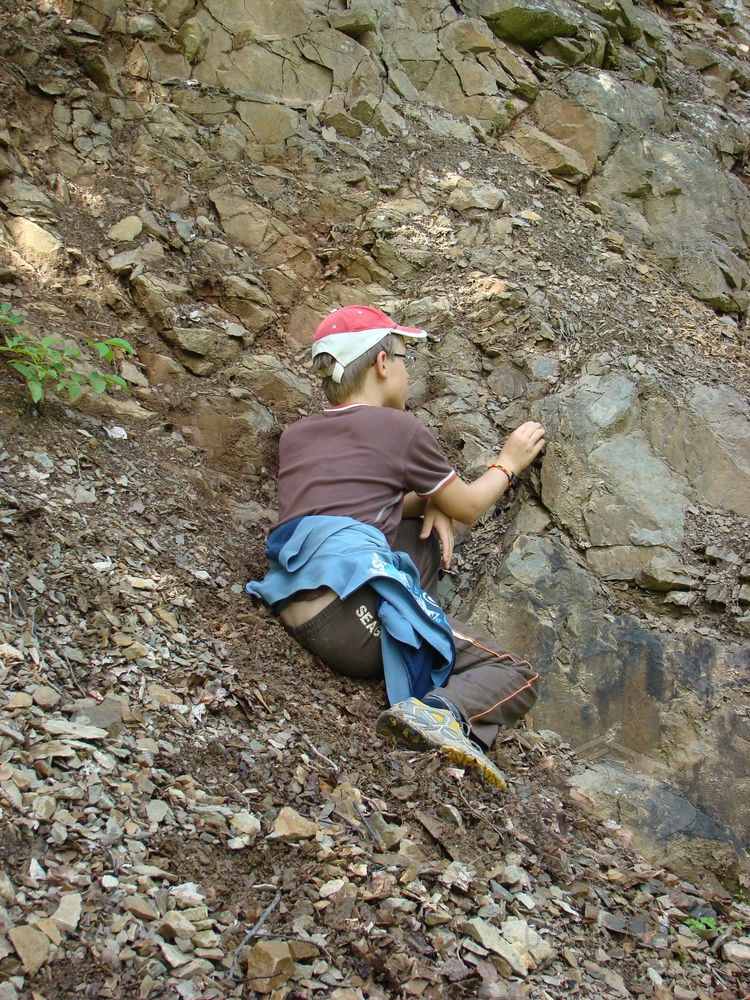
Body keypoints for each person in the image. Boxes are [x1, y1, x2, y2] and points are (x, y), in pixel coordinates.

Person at [246, 305, 546, 788]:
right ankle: (439, 713)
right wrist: (508, 464)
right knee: (517, 673)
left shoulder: (297, 435)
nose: (408, 371)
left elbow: (355, 504)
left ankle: (419, 635)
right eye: (406, 358)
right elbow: (470, 505)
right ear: (383, 363)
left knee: (417, 538)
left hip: (297, 605)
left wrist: (429, 503)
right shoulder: (400, 430)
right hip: (351, 624)